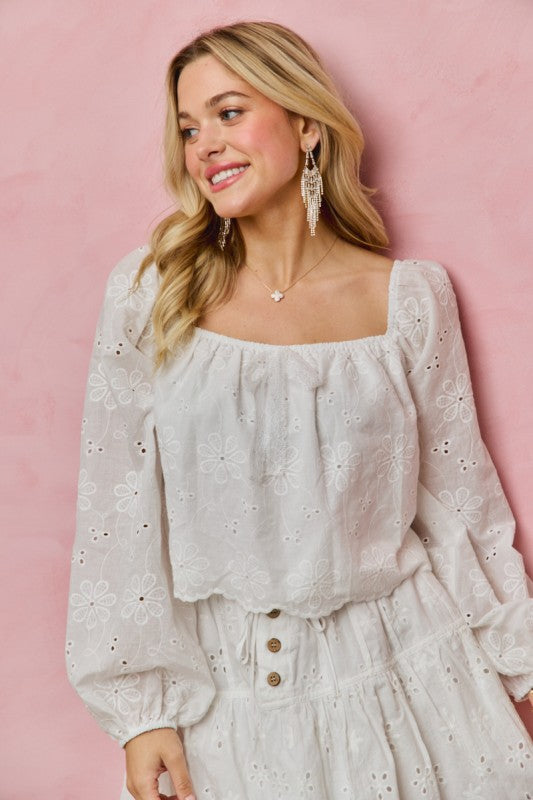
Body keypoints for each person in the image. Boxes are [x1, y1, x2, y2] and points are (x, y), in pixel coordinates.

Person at [65, 20, 533, 800]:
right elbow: (116, 506)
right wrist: (141, 713)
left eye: (228, 112)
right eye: (189, 128)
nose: (205, 145)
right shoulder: (152, 293)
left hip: (412, 680)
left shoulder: (410, 300)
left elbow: (461, 507)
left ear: (306, 125)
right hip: (227, 700)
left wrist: (521, 665)